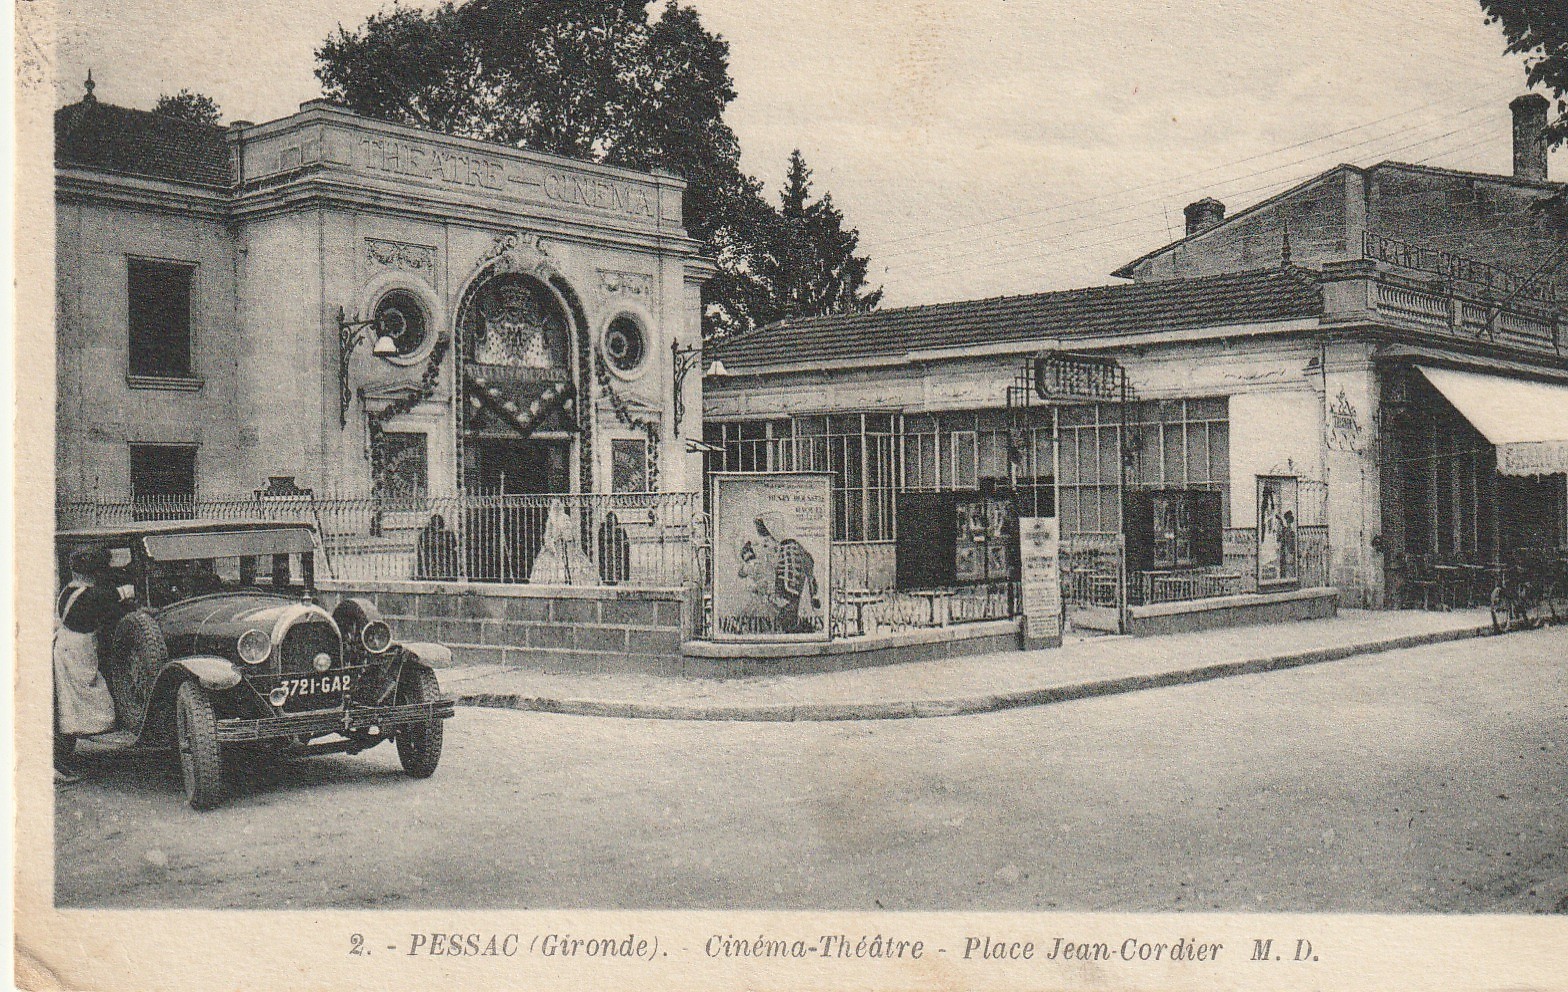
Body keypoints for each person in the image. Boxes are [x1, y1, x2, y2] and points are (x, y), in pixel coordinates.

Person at [54, 547, 135, 784]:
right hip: (78, 651)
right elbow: (120, 601)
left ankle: (61, 760)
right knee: (78, 701)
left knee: (68, 702)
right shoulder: (95, 595)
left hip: (67, 645)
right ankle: (58, 763)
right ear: (97, 572)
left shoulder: (70, 589)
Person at [755, 512, 821, 634]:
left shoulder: (789, 551)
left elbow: (787, 591)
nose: (764, 545)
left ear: (774, 536)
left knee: (788, 625)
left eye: (767, 540)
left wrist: (769, 596)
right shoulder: (788, 548)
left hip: (791, 608)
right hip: (790, 607)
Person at [415, 513, 460, 580]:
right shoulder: (447, 534)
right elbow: (454, 546)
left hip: (433, 561)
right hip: (441, 560)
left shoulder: (424, 534)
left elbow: (420, 549)